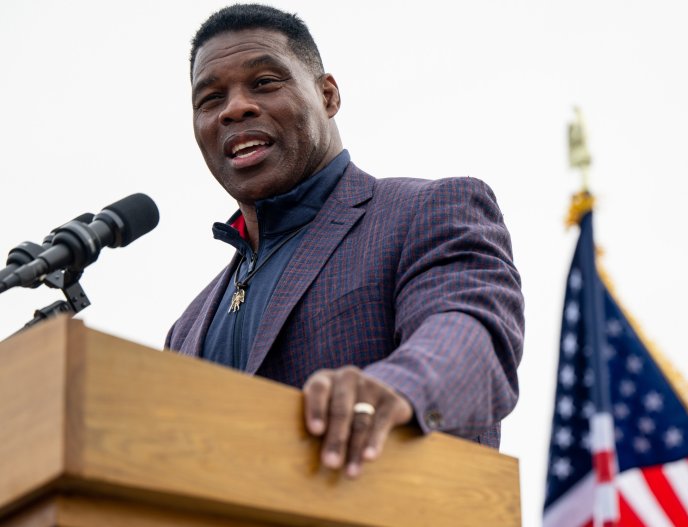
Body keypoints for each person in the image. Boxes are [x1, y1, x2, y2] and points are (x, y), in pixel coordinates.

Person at [166, 4, 524, 479]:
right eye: (210, 99)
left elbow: (472, 335)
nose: (234, 107)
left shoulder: (426, 209)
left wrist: (396, 386)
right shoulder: (185, 329)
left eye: (264, 83)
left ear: (328, 95)